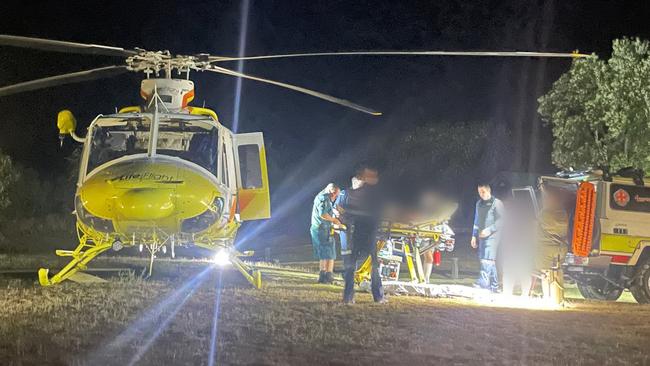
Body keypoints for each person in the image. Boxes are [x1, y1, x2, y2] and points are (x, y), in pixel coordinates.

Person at [339, 164, 386, 304]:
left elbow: (347, 211)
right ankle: (378, 296)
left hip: (359, 232)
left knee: (352, 265)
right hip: (367, 233)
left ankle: (348, 297)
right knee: (373, 266)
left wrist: (346, 213)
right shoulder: (375, 194)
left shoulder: (355, 193)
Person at [535, 183, 570, 303]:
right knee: (558, 271)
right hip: (561, 249)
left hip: (546, 248)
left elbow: (535, 224)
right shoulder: (563, 213)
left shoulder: (545, 214)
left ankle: (548, 297)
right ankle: (558, 298)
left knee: (545, 273)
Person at [501, 193, 536, 297]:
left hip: (518, 249)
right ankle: (513, 294)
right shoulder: (526, 217)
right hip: (516, 249)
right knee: (515, 272)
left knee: (519, 272)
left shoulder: (513, 217)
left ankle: (514, 294)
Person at [470, 183, 504, 292]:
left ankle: (482, 282)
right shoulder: (479, 204)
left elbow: (502, 220)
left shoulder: (497, 203)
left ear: (489, 191)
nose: (481, 194)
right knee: (488, 260)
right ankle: (494, 286)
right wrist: (474, 236)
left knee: (486, 259)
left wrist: (489, 230)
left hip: (493, 236)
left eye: (483, 191)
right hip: (481, 236)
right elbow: (476, 220)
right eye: (479, 191)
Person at [310, 183, 341, 284]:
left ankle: (327, 275)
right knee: (325, 252)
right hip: (320, 229)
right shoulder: (323, 198)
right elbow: (323, 214)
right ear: (331, 192)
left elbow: (327, 211)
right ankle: (325, 276)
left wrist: (334, 212)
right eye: (335, 195)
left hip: (325, 228)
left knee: (329, 252)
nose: (336, 197)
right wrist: (334, 220)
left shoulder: (326, 197)